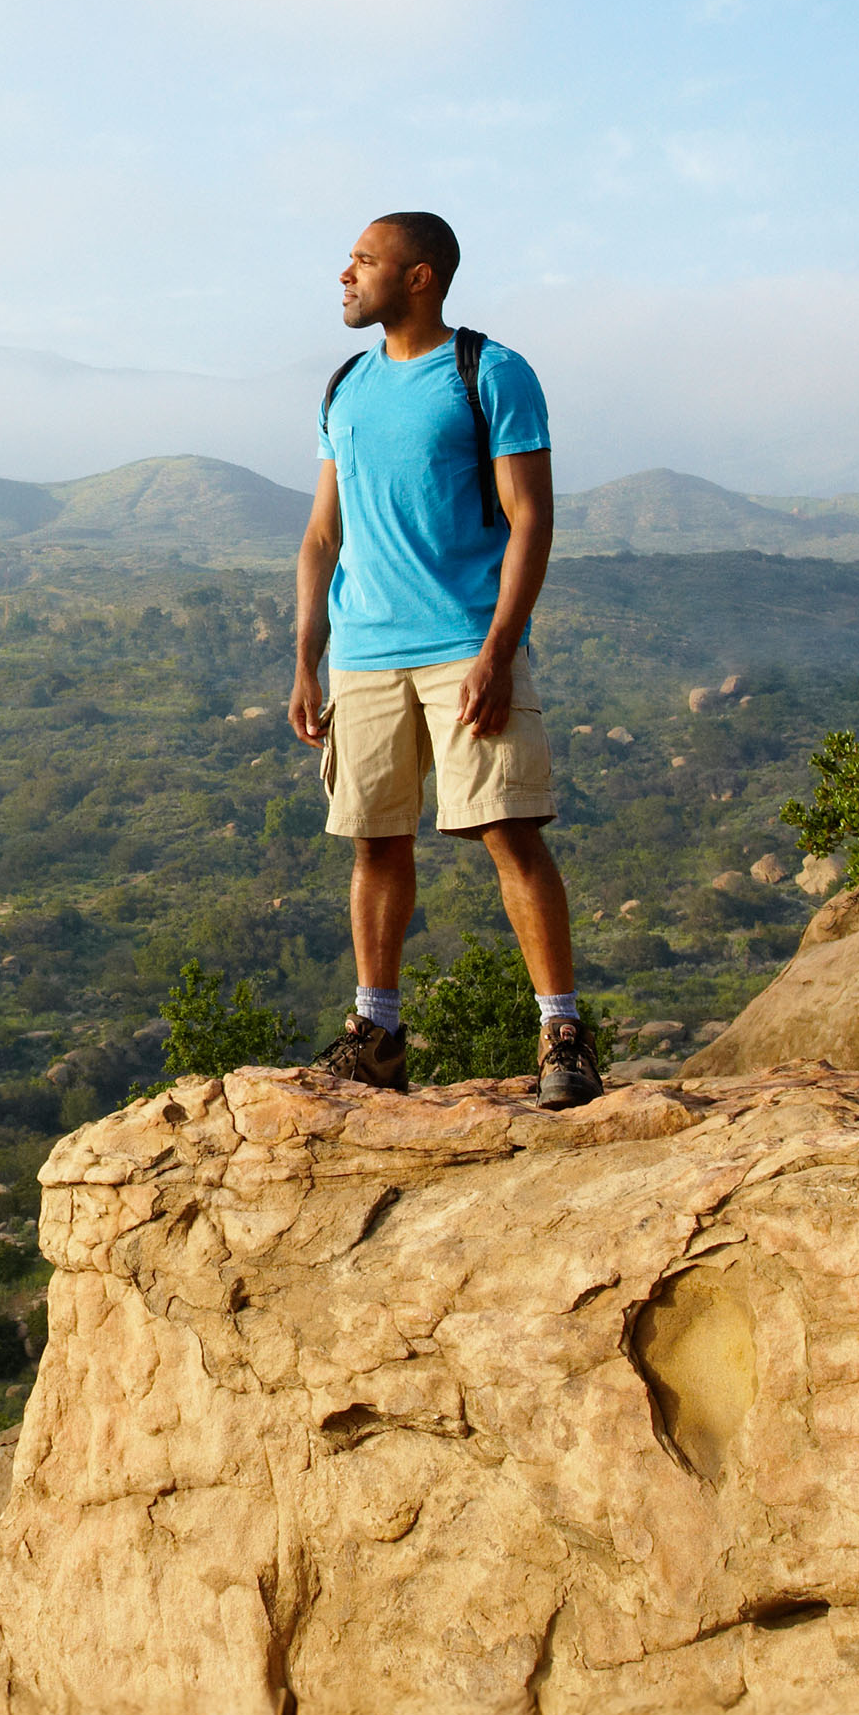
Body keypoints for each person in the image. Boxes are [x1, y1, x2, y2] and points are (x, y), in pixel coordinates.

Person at [286, 212, 603, 1106]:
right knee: (375, 844)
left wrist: (500, 650)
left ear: (418, 277)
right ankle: (377, 1031)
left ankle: (563, 1034)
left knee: (508, 832)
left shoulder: (489, 372)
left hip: (465, 644)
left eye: (363, 261)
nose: (344, 276)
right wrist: (307, 660)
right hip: (363, 654)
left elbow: (531, 518)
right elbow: (321, 532)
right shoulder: (345, 386)